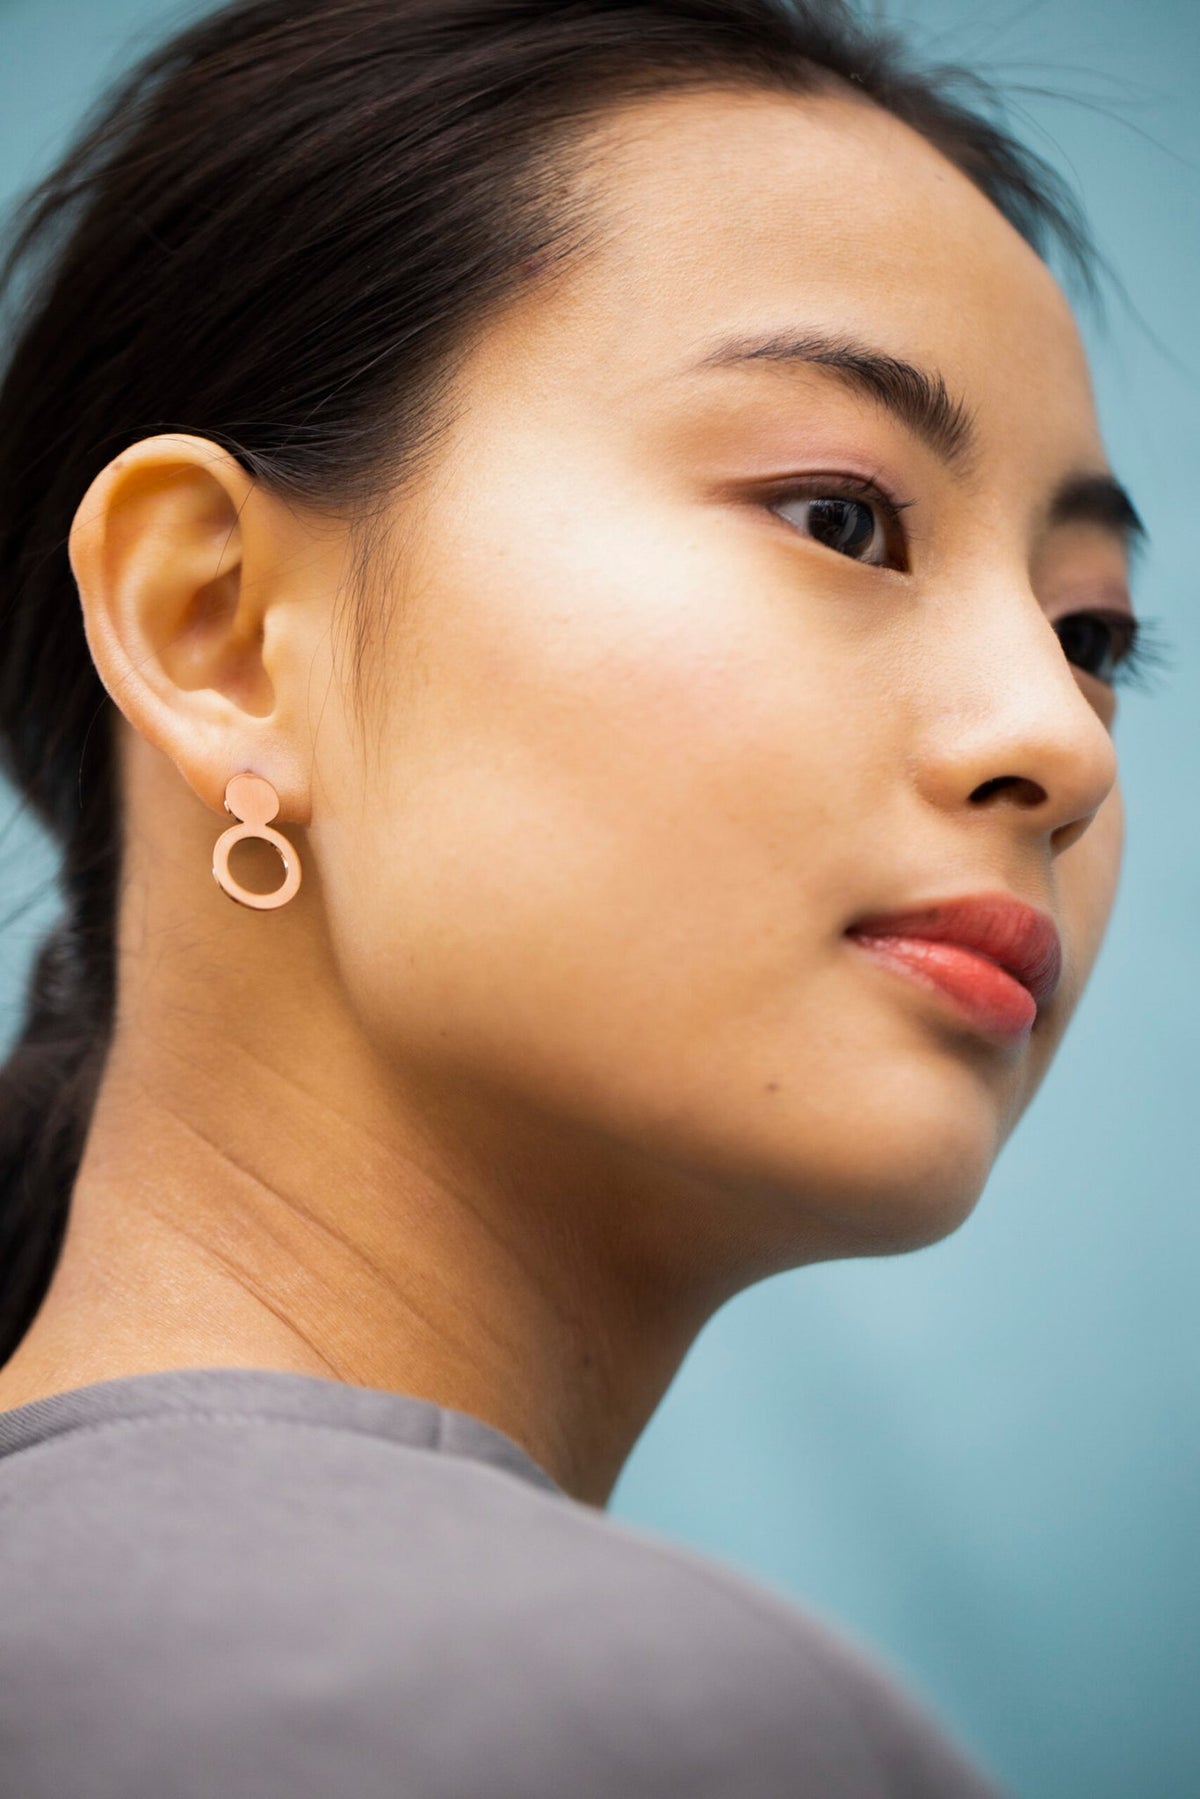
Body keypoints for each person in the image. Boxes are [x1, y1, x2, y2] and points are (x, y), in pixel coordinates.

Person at [0, 0, 1164, 1793]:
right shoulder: (594, 1712)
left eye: (1093, 634)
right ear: (213, 628)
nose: (1058, 744)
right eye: (842, 517)